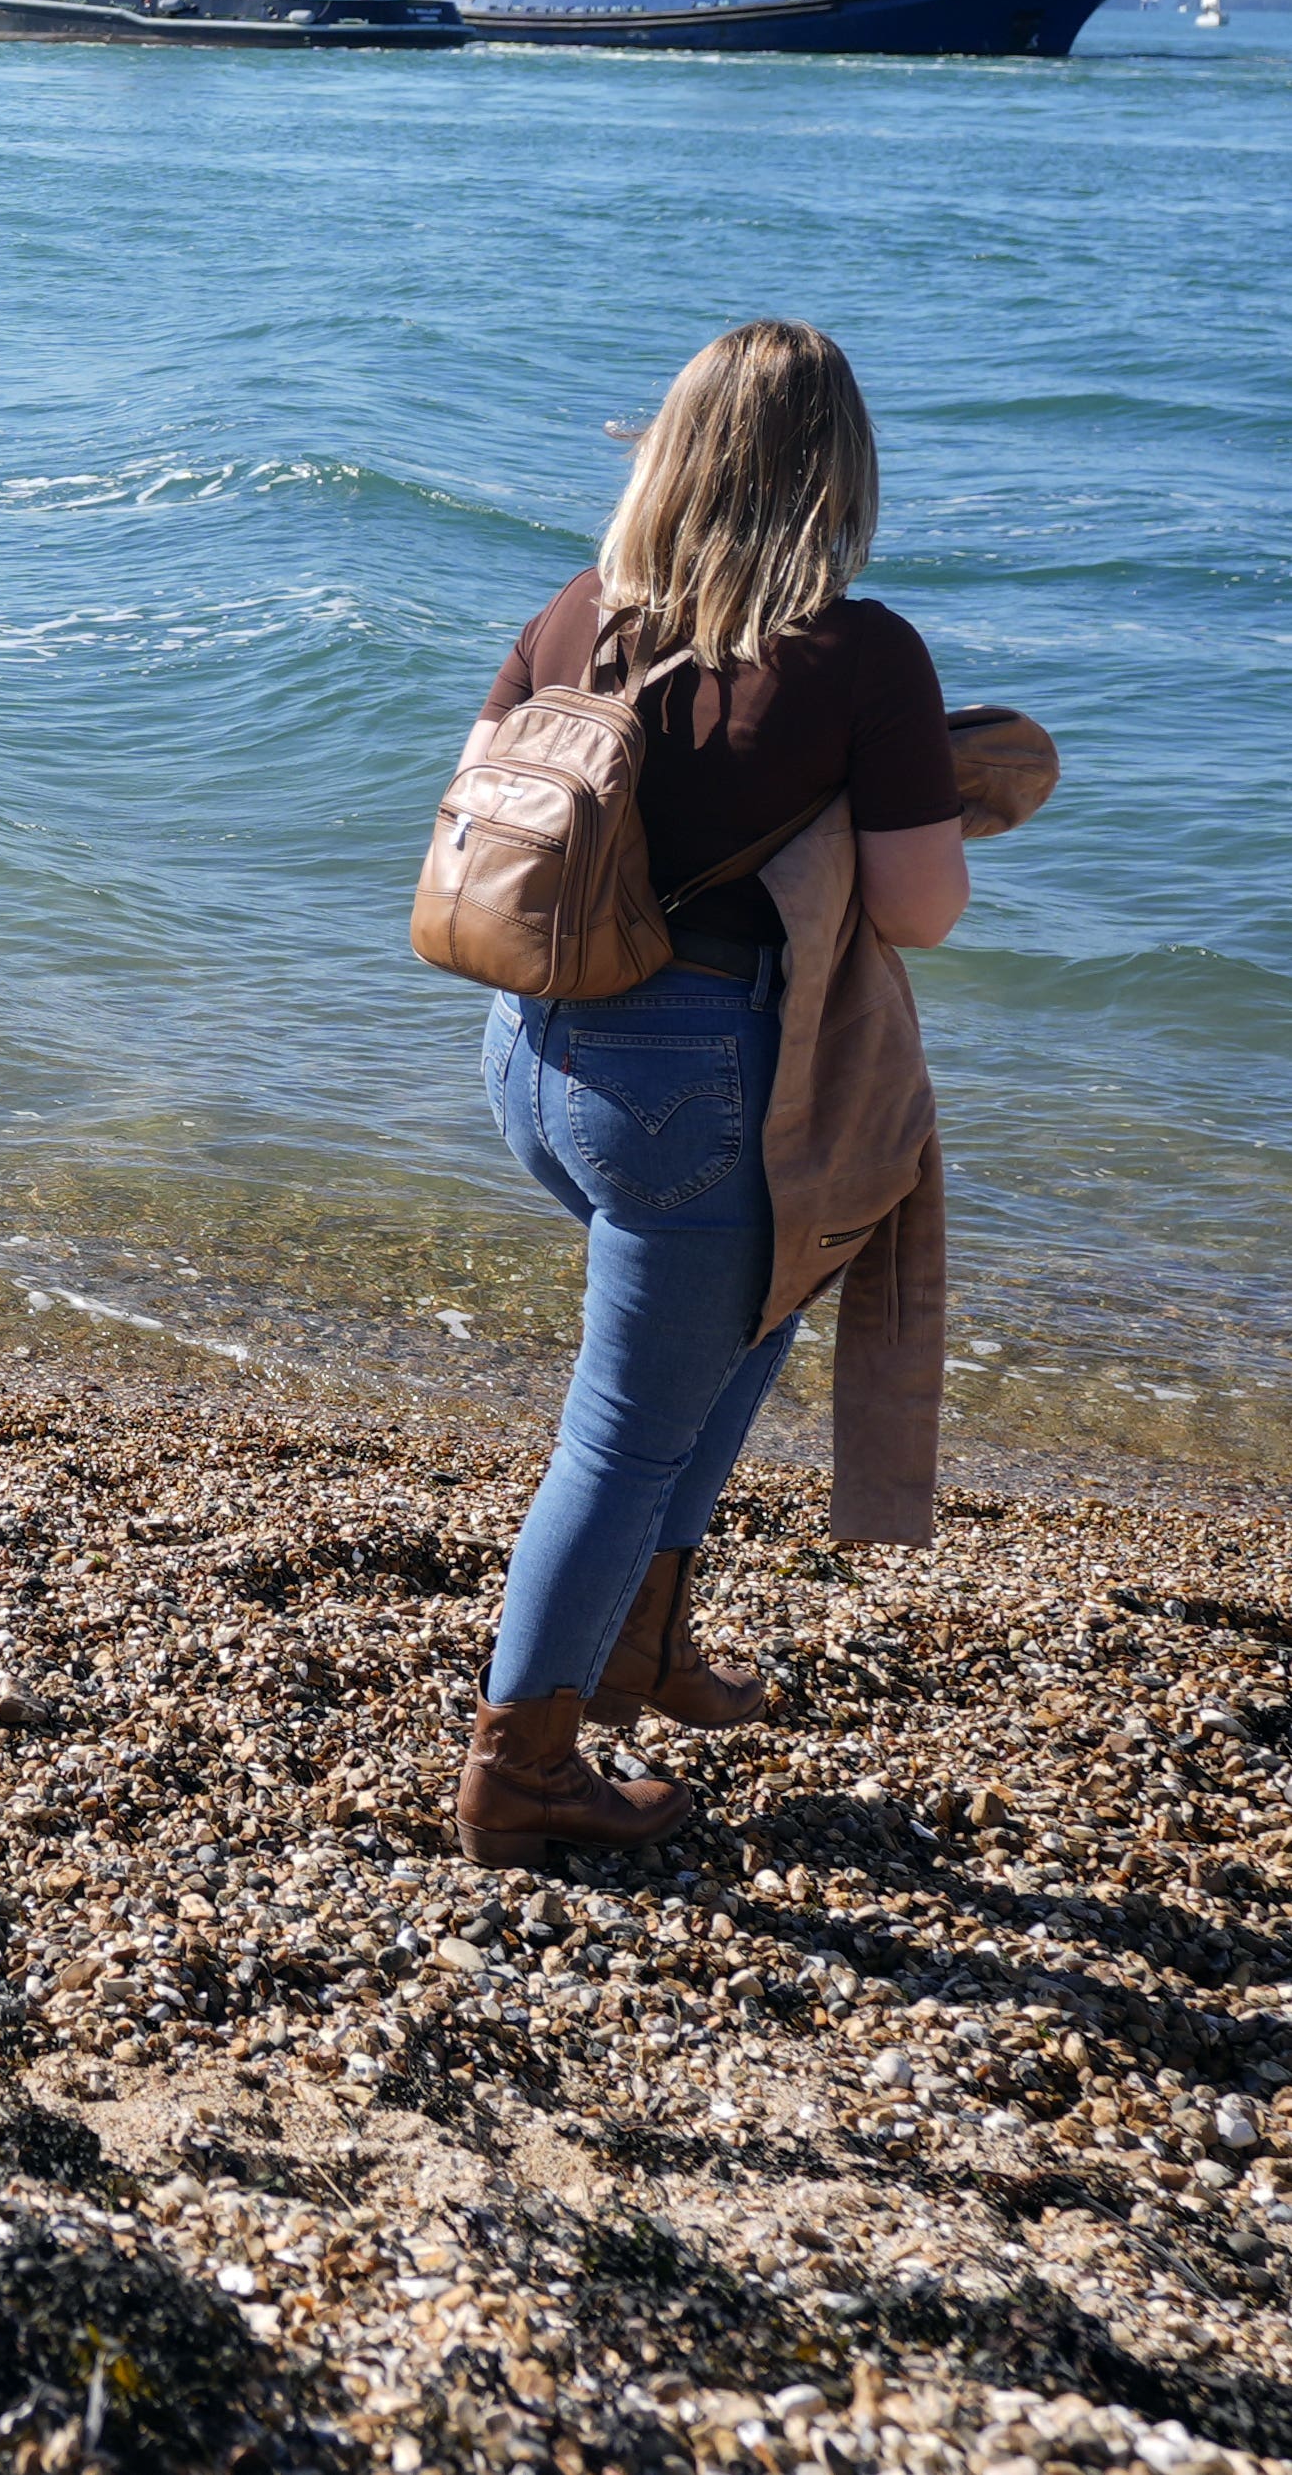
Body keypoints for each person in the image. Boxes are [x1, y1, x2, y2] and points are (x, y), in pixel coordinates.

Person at [452, 317, 969, 1864]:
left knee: (749, 1312)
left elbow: (492, 801)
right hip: (697, 1089)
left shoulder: (572, 614)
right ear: (839, 475)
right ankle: (526, 1767)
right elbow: (922, 904)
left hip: (537, 1059)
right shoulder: (860, 653)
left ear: (671, 455)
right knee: (618, 1436)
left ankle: (643, 1643)